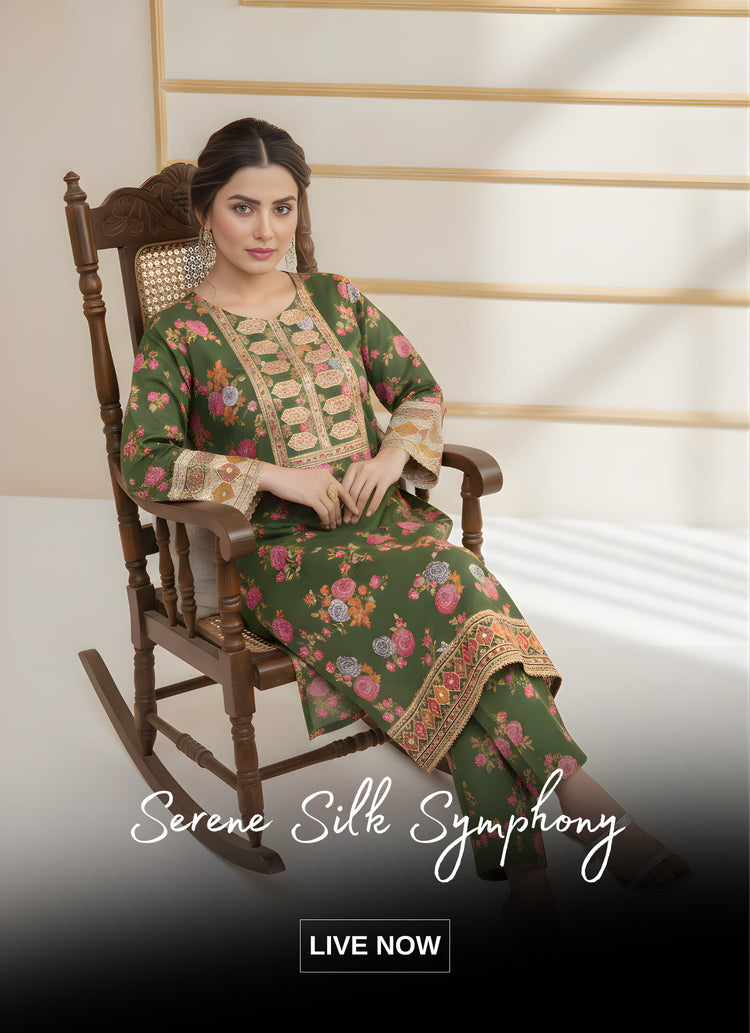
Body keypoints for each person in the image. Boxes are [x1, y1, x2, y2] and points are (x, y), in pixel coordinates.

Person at [121, 117, 692, 931]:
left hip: (385, 528)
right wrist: (272, 476)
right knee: (457, 587)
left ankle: (527, 877)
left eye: (283, 208)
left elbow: (420, 392)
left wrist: (391, 456)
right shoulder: (179, 333)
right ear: (207, 209)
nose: (266, 230)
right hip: (281, 556)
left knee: (458, 617)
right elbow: (143, 459)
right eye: (244, 208)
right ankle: (588, 801)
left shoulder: (335, 298)